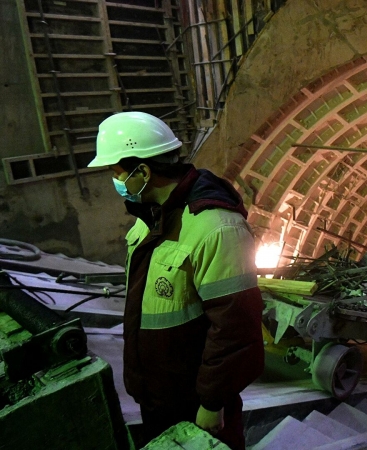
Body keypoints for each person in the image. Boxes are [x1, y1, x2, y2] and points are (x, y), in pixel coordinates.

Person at [88, 111, 264, 449]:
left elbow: (235, 329)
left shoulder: (216, 227)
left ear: (143, 171)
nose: (115, 181)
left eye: (117, 172)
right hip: (157, 394)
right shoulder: (149, 218)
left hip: (196, 400)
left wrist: (213, 403)